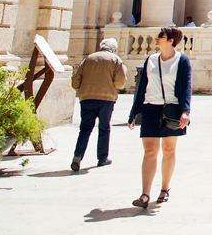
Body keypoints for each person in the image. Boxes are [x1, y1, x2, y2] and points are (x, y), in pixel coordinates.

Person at [128, 27, 192, 209]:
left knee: (169, 149)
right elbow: (142, 88)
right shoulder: (151, 60)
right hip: (150, 108)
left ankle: (164, 189)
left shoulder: (182, 60)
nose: (156, 38)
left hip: (172, 110)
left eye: (160, 36)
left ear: (171, 40)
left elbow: (186, 87)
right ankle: (145, 195)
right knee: (149, 150)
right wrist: (134, 112)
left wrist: (185, 111)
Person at [70, 38, 127, 172]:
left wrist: (82, 90)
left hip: (87, 98)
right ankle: (102, 158)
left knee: (85, 128)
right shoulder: (115, 59)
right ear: (114, 49)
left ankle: (77, 155)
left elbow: (75, 80)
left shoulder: (89, 58)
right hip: (106, 99)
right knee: (104, 128)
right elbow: (120, 82)